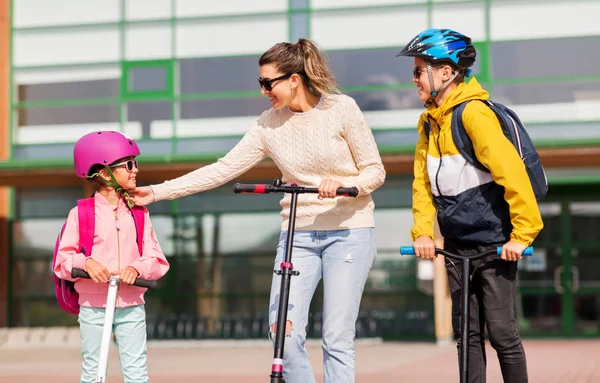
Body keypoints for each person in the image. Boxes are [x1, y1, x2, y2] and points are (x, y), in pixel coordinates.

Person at [132, 38, 386, 382]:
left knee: (336, 337)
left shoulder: (341, 109)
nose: (264, 90)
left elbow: (375, 169)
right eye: (260, 83)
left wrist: (348, 186)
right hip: (298, 234)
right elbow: (223, 168)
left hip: (349, 231)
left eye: (269, 83)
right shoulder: (268, 124)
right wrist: (158, 191)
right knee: (283, 333)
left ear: (294, 79)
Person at [396, 29, 543, 383]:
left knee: (502, 333)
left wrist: (521, 236)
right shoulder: (429, 123)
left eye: (419, 71)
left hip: (495, 244)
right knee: (466, 335)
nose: (413, 79)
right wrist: (423, 234)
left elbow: (513, 176)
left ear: (445, 72)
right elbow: (423, 186)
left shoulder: (474, 115)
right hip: (457, 245)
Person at [54, 131, 170, 383]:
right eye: (128, 164)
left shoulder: (138, 213)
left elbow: (157, 258)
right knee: (94, 373)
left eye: (136, 163)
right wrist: (85, 262)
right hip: (93, 307)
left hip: (131, 306)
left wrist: (137, 269)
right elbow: (62, 262)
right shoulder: (81, 213)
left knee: (137, 374)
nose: (135, 170)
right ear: (105, 173)